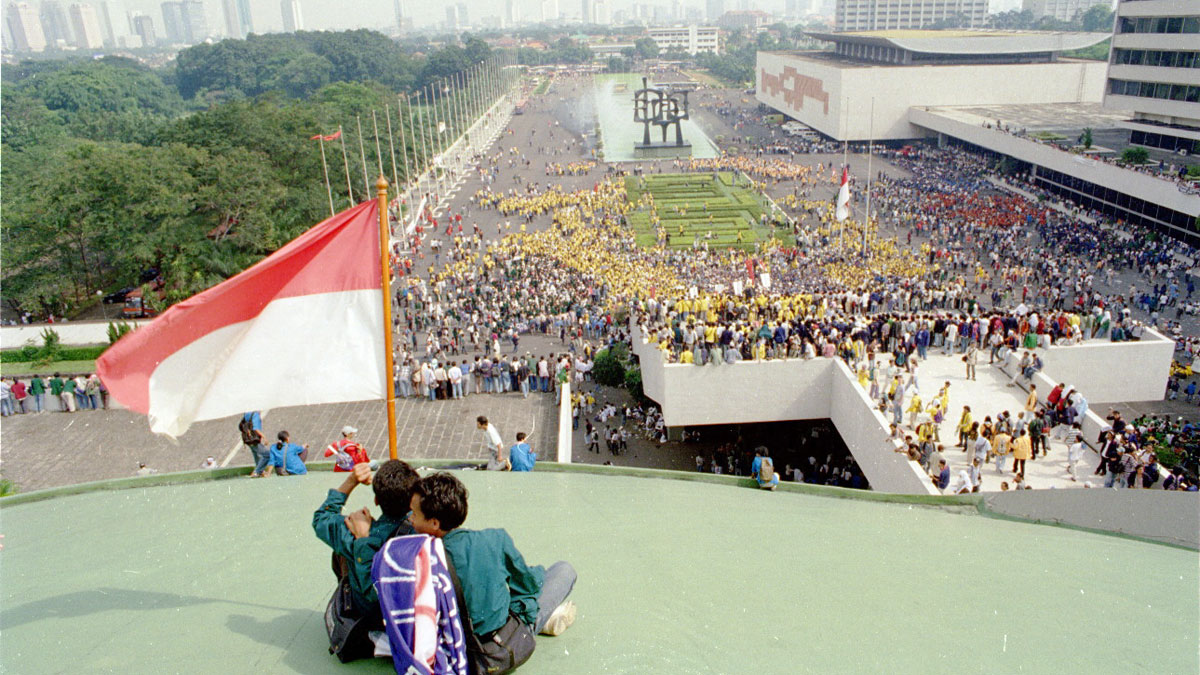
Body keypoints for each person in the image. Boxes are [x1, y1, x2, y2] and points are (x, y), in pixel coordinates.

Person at [408, 472, 578, 652]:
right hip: (500, 646)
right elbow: (529, 585)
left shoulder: (416, 557)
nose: (410, 518)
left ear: (434, 523)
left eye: (414, 513)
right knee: (563, 570)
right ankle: (544, 619)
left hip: (455, 648)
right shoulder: (494, 539)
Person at [312, 459, 421, 653]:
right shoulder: (423, 530)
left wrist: (351, 481)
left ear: (376, 501)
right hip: (407, 614)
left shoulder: (355, 532)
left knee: (342, 551)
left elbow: (321, 519)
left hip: (369, 614)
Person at [240, 411, 269, 478]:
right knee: (267, 455)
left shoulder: (247, 414)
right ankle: (257, 472)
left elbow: (240, 426)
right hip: (254, 440)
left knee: (256, 455)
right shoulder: (255, 414)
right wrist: (264, 437)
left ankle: (260, 472)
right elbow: (255, 429)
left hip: (248, 440)